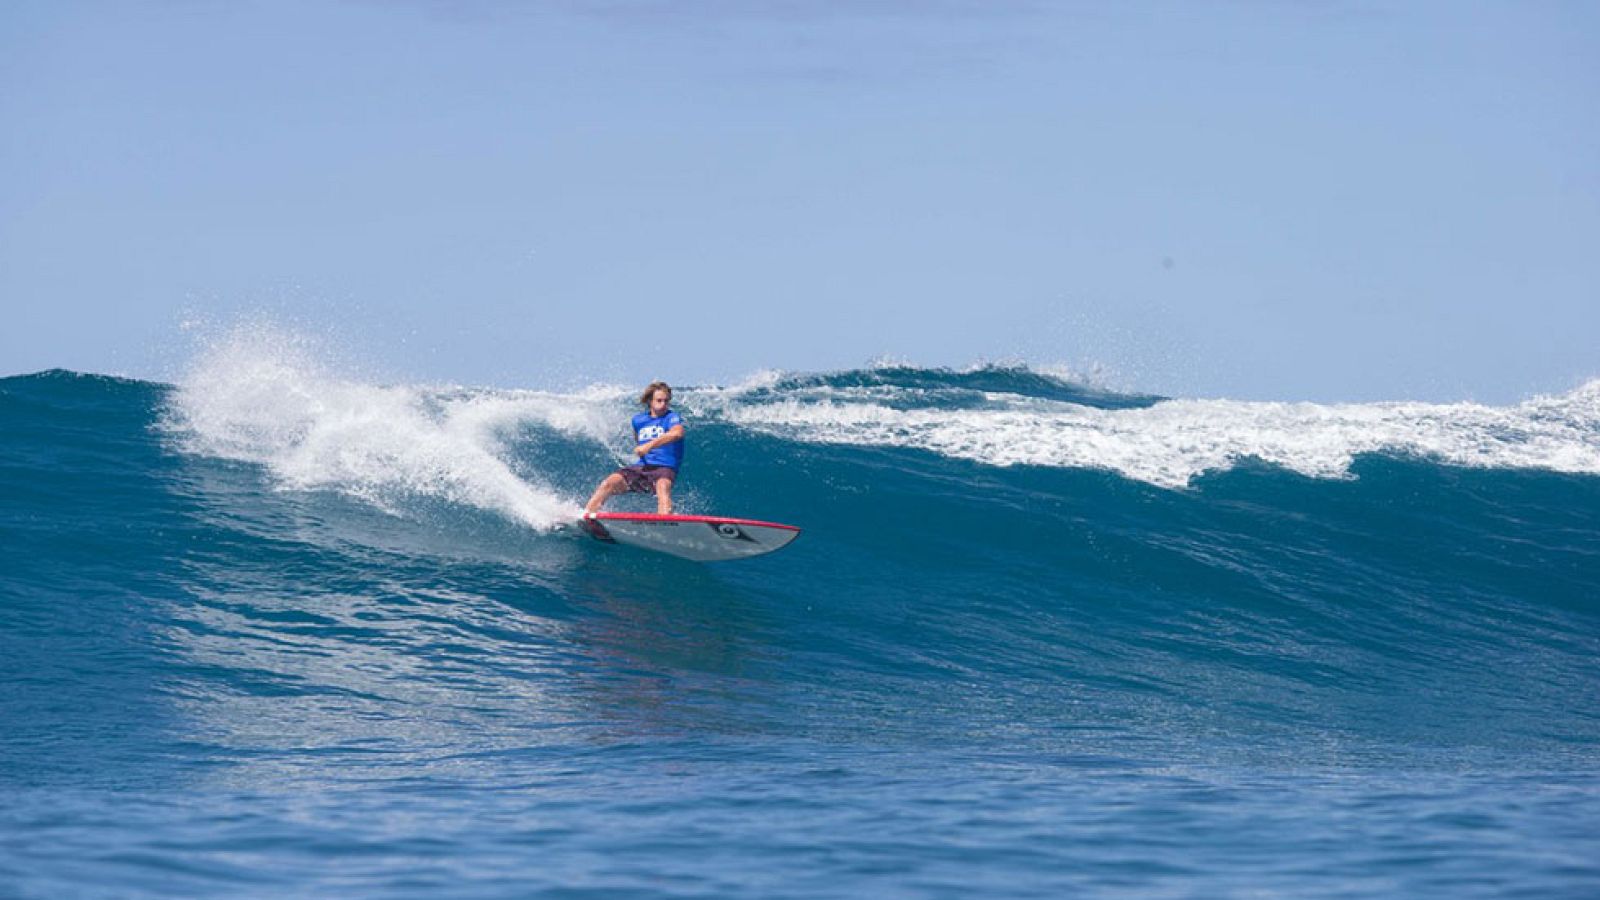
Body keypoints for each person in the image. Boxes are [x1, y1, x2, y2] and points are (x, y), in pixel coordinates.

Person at [585, 381, 685, 515]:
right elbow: (639, 441)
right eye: (659, 400)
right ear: (650, 401)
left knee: (663, 488)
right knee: (608, 483)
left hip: (664, 467)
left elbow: (677, 433)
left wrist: (649, 445)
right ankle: (588, 515)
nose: (663, 405)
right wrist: (642, 449)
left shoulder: (671, 417)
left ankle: (665, 522)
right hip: (642, 467)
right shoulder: (638, 420)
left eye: (666, 401)